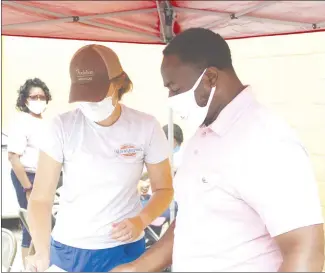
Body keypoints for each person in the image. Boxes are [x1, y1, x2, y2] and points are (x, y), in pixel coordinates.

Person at [111, 28, 324, 272]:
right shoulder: (203, 135)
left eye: (176, 89)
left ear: (210, 78)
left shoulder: (267, 141)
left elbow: (306, 250)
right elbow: (192, 221)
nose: (170, 97)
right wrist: (136, 268)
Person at [26, 44, 174, 272]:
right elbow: (40, 199)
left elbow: (164, 189)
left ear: (118, 83)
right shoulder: (61, 126)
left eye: (96, 93)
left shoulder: (145, 127)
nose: (90, 102)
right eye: (83, 95)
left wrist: (141, 220)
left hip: (123, 249)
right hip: (69, 249)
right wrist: (42, 249)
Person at [7, 78, 52, 268]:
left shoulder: (46, 123)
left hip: (44, 177)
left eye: (42, 97)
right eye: (34, 97)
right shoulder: (22, 122)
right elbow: (13, 157)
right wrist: (27, 186)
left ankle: (39, 263)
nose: (39, 100)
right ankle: (26, 267)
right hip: (28, 177)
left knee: (42, 224)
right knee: (30, 224)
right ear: (25, 100)